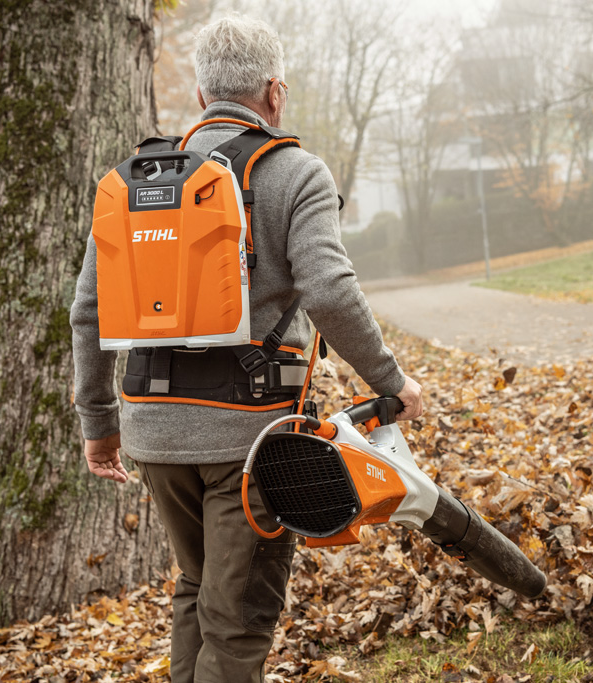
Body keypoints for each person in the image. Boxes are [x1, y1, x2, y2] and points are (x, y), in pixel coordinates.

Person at [69, 15, 423, 683]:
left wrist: (99, 424)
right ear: (275, 93)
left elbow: (87, 309)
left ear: (202, 98)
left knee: (198, 590)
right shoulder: (295, 172)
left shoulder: (135, 184)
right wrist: (392, 379)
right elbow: (330, 289)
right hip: (249, 440)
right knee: (238, 618)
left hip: (154, 434)